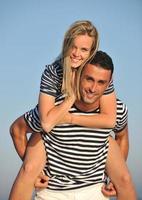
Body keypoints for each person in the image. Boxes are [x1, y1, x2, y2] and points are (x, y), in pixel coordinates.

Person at [9, 20, 117, 200]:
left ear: (92, 52)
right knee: (28, 168)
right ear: (66, 44)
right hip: (45, 126)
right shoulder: (53, 72)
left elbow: (110, 120)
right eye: (73, 47)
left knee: (125, 178)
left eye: (84, 50)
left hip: (66, 128)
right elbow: (47, 122)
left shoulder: (97, 73)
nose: (76, 54)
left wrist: (70, 119)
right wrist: (72, 95)